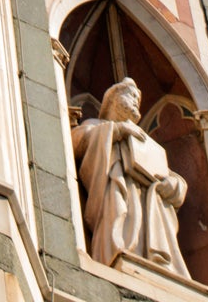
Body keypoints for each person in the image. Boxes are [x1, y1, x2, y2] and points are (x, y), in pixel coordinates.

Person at [72, 77, 190, 278]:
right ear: (114, 99)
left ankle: (157, 262)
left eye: (138, 98)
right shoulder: (97, 126)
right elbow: (76, 142)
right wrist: (117, 130)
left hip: (149, 202)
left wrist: (174, 185)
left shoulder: (145, 140)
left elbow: (170, 176)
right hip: (117, 192)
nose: (136, 101)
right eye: (131, 95)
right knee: (119, 217)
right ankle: (120, 252)